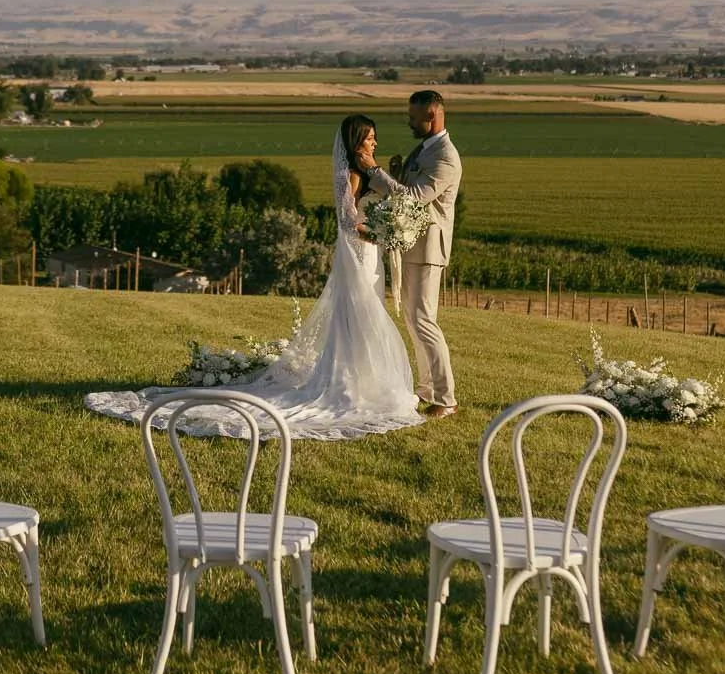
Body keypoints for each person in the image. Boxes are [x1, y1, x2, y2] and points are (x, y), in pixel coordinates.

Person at [83, 113, 423, 440]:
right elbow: (349, 223)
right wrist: (379, 234)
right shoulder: (349, 175)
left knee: (361, 315)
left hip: (369, 255)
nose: (374, 142)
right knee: (360, 316)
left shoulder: (364, 172)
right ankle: (349, 383)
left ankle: (361, 378)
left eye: (375, 137)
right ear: (355, 141)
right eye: (369, 137)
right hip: (359, 252)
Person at [359, 90, 462, 418]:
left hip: (429, 248)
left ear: (431, 117)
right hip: (413, 245)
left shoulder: (445, 157)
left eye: (413, 118)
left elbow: (413, 199)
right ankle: (426, 389)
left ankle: (445, 398)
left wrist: (375, 172)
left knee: (423, 320)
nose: (409, 123)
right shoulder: (426, 148)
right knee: (414, 320)